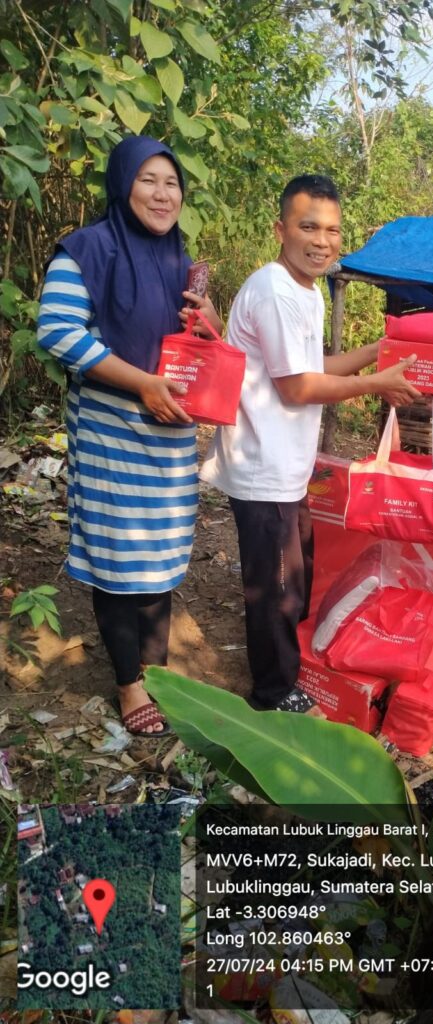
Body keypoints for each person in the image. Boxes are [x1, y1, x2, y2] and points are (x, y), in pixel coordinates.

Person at [200, 174, 419, 713]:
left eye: (332, 230)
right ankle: (274, 695)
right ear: (281, 229)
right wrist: (378, 384)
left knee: (292, 585)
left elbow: (313, 366)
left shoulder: (308, 288)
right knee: (273, 589)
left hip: (288, 465)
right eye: (308, 227)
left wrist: (378, 351)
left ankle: (287, 669)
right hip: (262, 466)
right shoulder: (274, 289)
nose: (322, 240)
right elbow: (298, 388)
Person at [37, 135, 221, 736]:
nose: (162, 193)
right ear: (122, 185)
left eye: (171, 183)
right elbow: (59, 332)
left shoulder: (178, 258)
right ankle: (128, 682)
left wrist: (207, 326)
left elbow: (193, 349)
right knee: (120, 559)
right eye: (148, 180)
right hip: (113, 430)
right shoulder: (87, 250)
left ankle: (157, 669)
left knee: (161, 554)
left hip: (168, 434)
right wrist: (141, 382)